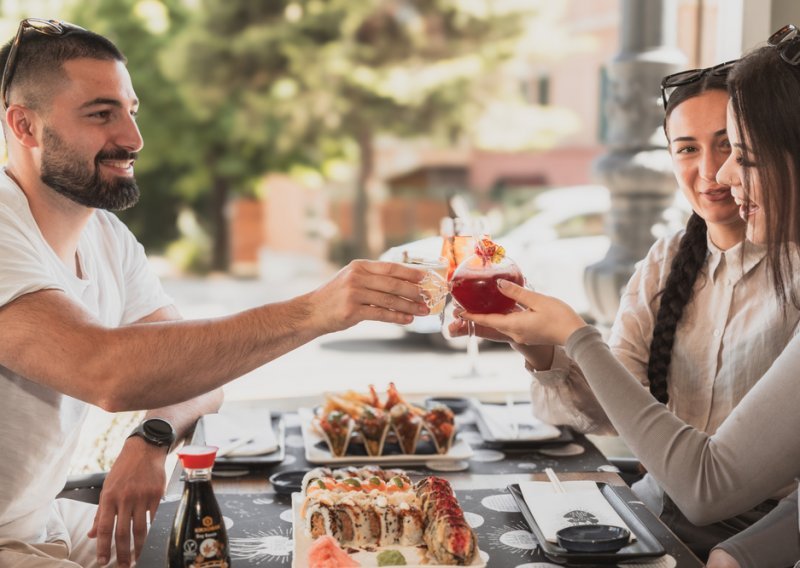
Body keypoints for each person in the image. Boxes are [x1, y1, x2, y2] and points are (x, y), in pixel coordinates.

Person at [0, 18, 430, 568]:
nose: (133, 139)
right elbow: (105, 370)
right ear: (25, 126)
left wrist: (152, 438)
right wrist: (316, 310)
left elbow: (198, 379)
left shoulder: (106, 236)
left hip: (42, 520)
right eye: (101, 114)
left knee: (227, 550)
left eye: (131, 112)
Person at [458, 26, 800, 568]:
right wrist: (540, 351)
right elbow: (621, 408)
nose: (716, 172)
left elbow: (710, 483)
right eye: (686, 149)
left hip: (740, 524)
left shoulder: (793, 268)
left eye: (737, 150)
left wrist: (575, 335)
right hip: (660, 509)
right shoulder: (666, 262)